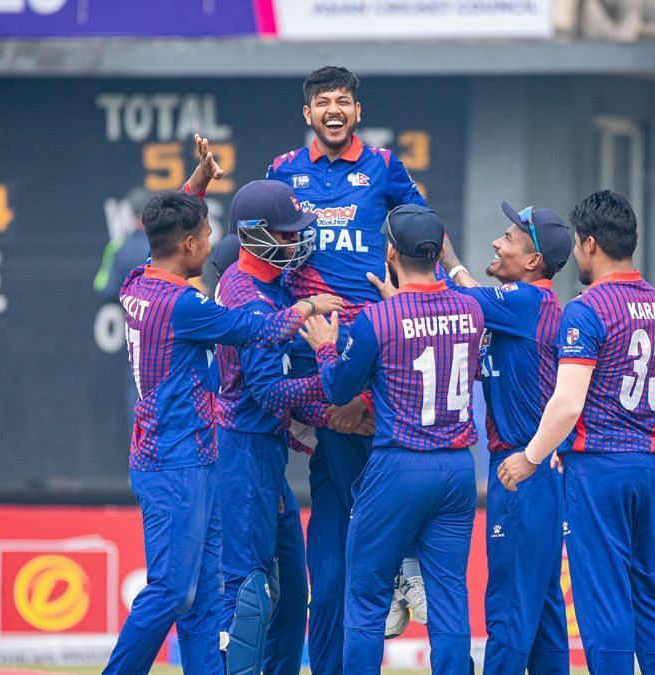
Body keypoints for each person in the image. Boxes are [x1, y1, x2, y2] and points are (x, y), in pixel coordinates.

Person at [103, 189, 341, 674]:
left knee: (205, 599)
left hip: (192, 454)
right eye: (207, 235)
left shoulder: (136, 283)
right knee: (175, 590)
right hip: (176, 459)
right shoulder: (185, 305)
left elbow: (165, 232)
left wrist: (195, 186)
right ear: (189, 244)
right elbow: (253, 331)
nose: (214, 244)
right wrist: (309, 310)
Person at [266, 65, 429, 667]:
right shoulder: (284, 171)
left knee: (391, 471)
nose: (333, 110)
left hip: (379, 349)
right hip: (313, 352)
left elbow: (425, 235)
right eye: (322, 102)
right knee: (335, 503)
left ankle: (400, 568)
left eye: (343, 101)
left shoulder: (385, 167)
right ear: (308, 114)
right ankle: (366, 609)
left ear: (357, 111)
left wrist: (443, 283)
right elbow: (261, 251)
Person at [499, 190, 655, 675]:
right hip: (653, 463)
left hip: (601, 466)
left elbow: (566, 403)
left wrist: (532, 456)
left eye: (580, 245)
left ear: (589, 243)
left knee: (602, 597)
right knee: (650, 592)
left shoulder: (588, 308)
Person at [300, 204, 482, 673]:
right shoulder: (472, 309)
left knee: (365, 598)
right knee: (448, 604)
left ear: (390, 252)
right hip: (459, 468)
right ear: (439, 252)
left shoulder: (378, 319)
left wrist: (323, 345)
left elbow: (339, 389)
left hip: (399, 464)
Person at [213, 179, 370, 674]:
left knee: (289, 593)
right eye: (286, 234)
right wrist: (332, 394)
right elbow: (270, 392)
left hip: (266, 454)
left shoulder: (273, 284)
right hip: (241, 451)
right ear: (256, 234)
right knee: (249, 594)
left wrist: (332, 416)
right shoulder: (248, 297)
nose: (297, 241)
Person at [422, 201, 572, 674]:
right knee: (544, 617)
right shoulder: (526, 305)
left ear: (532, 261)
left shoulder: (528, 301)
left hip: (520, 469)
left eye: (508, 238)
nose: (496, 242)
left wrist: (446, 258)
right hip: (536, 471)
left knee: (509, 612)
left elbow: (464, 295)